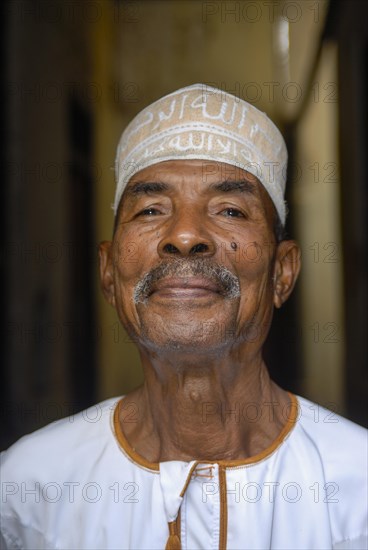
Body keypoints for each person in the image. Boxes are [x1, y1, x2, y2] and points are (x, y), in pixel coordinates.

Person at [1, 84, 367, 550]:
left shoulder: (357, 492)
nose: (187, 234)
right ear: (109, 272)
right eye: (151, 209)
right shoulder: (27, 493)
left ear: (282, 272)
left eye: (230, 210)